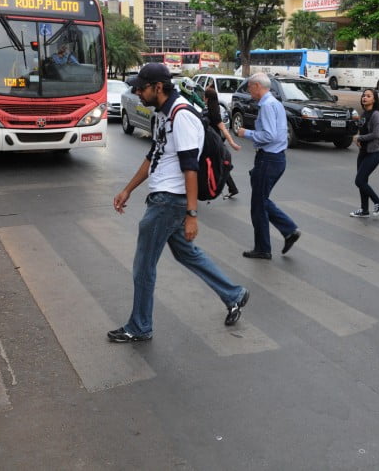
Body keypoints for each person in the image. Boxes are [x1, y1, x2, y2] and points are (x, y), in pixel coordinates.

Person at [107, 63, 249, 343]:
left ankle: (140, 326)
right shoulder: (163, 113)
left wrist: (192, 213)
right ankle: (234, 294)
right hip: (163, 198)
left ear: (158, 87)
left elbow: (190, 168)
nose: (137, 92)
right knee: (187, 254)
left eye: (141, 87)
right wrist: (128, 190)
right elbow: (154, 155)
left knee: (143, 267)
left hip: (168, 202)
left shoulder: (181, 115)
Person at [235, 73, 301, 259]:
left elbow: (269, 135)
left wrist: (246, 133)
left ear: (257, 86)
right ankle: (275, 239)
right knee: (260, 201)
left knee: (259, 203)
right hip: (274, 158)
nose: (249, 91)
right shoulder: (275, 103)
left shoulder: (267, 106)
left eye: (249, 87)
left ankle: (282, 234)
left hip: (269, 159)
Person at [350, 88, 379, 218]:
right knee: (363, 181)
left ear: (374, 99)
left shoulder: (376, 114)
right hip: (363, 152)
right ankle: (364, 210)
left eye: (368, 96)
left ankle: (378, 201)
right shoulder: (364, 113)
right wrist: (359, 138)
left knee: (359, 181)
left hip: (373, 153)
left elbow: (376, 134)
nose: (365, 97)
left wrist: (359, 138)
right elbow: (363, 130)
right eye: (364, 95)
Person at [203, 84, 240, 198]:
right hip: (209, 143)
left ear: (207, 98)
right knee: (220, 165)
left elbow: (224, 129)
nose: (203, 98)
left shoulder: (213, 114)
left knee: (215, 166)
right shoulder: (211, 109)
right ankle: (232, 188)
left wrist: (232, 143)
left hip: (212, 144)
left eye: (204, 96)